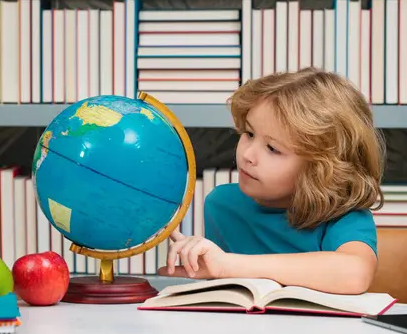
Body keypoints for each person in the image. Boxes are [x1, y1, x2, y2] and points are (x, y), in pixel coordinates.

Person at [158, 67, 386, 295]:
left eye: (272, 148)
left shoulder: (343, 216)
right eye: (249, 134)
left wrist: (227, 265)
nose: (247, 155)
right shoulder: (222, 205)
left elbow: (355, 274)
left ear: (322, 168)